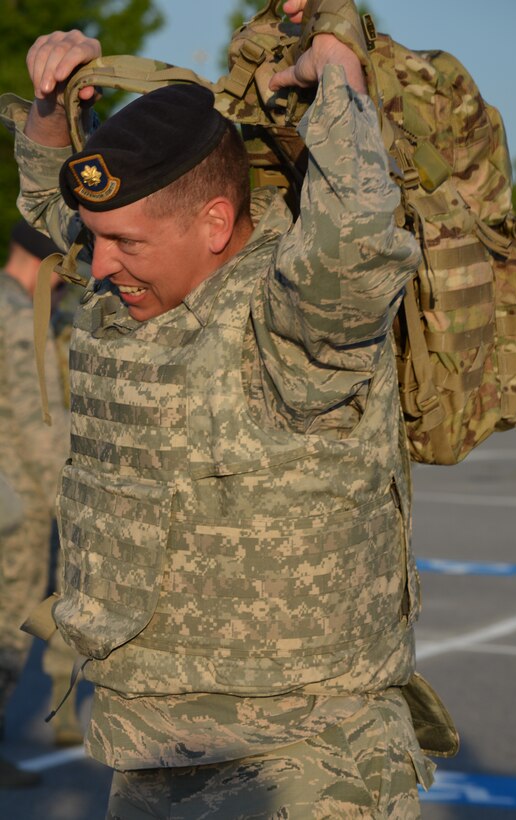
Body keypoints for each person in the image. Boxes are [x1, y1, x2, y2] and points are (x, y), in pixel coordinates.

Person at [0, 0, 456, 815]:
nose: (97, 265)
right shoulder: (132, 289)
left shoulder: (294, 319)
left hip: (305, 764)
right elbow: (54, 214)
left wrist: (337, 74)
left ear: (216, 223)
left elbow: (357, 238)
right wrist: (50, 109)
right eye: (97, 238)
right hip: (150, 752)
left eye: (125, 245)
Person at [0, 220, 82, 789]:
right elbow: (38, 426)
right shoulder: (15, 320)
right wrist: (74, 496)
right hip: (18, 505)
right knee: (7, 626)